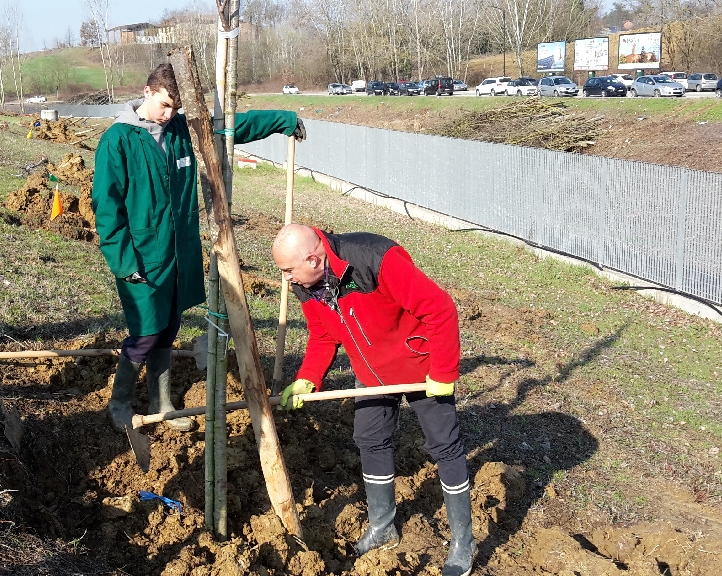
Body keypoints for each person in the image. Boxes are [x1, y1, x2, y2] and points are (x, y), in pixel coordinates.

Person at [92, 63, 306, 433]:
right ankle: (120, 403)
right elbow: (107, 210)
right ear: (147, 93)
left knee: (169, 326)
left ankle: (161, 400)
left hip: (179, 253)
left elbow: (230, 128)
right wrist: (124, 262)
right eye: (164, 106)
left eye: (176, 108)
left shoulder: (179, 130)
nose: (170, 114)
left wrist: (282, 119)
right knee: (145, 332)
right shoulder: (119, 140)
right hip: (141, 256)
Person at [273, 224, 474, 576]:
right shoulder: (307, 285)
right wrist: (308, 377)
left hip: (419, 365)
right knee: (370, 439)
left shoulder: (377, 259)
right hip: (371, 375)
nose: (286, 279)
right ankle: (383, 529)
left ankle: (462, 542)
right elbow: (322, 335)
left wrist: (443, 372)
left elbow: (440, 309)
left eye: (288, 270)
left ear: (312, 258)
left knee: (445, 446)